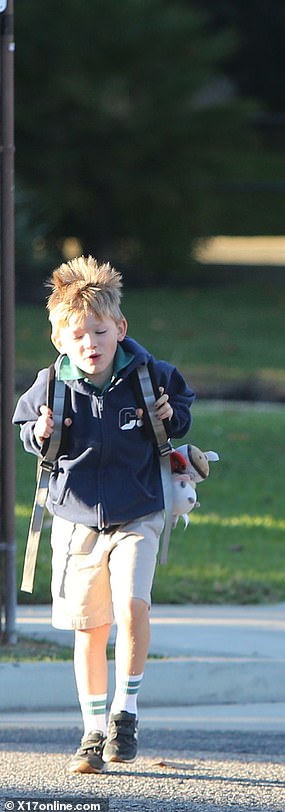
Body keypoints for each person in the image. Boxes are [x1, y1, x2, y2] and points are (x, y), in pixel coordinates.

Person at [13, 256, 195, 774]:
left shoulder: (148, 375)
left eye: (99, 330)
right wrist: (39, 433)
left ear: (120, 328)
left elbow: (181, 407)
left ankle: (125, 711)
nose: (90, 343)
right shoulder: (50, 385)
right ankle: (93, 731)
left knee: (132, 604)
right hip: (75, 522)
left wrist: (170, 415)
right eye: (78, 335)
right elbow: (27, 429)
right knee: (89, 629)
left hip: (139, 510)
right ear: (60, 341)